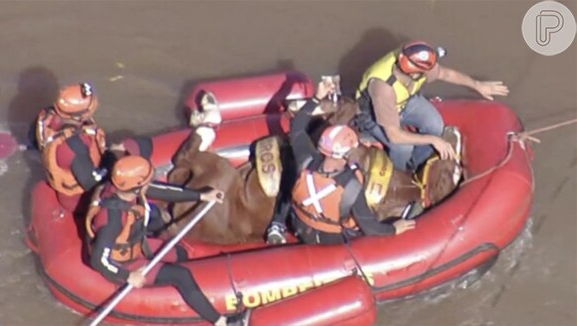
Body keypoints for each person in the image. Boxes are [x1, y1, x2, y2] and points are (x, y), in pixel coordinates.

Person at [87, 155, 246, 326]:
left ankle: (198, 293)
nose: (150, 182)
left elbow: (163, 191)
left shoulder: (126, 189)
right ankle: (221, 322)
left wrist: (201, 196)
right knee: (181, 276)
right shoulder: (111, 220)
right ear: (137, 187)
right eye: (147, 180)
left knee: (180, 253)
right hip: (123, 263)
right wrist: (127, 275)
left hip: (137, 245)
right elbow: (98, 260)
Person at [266, 80, 416, 245]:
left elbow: (298, 127)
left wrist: (316, 98)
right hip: (328, 239)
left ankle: (278, 223)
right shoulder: (351, 188)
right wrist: (395, 228)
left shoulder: (305, 159)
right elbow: (371, 228)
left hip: (299, 224)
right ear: (346, 154)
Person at [354, 41, 509, 171]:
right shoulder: (383, 88)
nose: (432, 71)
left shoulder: (415, 61)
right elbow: (394, 135)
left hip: (405, 101)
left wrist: (477, 85)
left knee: (435, 124)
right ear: (414, 74)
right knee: (403, 148)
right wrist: (433, 140)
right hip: (372, 114)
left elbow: (446, 74)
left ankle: (417, 165)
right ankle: (399, 172)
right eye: (425, 71)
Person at [37, 83, 110, 212]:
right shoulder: (73, 146)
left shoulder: (47, 116)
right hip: (77, 200)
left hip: (72, 171)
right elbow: (89, 181)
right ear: (79, 115)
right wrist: (111, 164)